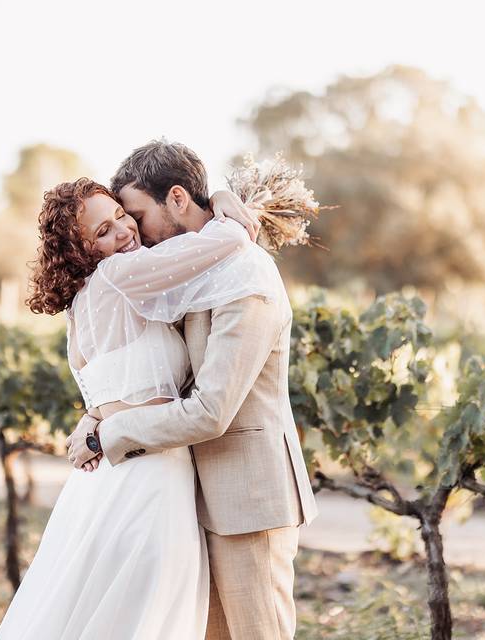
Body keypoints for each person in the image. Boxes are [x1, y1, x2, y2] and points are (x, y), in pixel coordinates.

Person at [0, 175, 277, 639]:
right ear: (80, 252)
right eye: (102, 232)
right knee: (146, 617)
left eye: (123, 215)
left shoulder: (87, 303)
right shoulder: (119, 276)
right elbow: (226, 239)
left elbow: (106, 397)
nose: (124, 231)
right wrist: (225, 201)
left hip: (114, 478)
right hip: (150, 479)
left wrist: (94, 422)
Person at [67, 140, 319, 640]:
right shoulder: (190, 271)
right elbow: (158, 374)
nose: (133, 231)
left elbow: (209, 410)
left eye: (135, 214)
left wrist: (107, 433)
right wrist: (97, 412)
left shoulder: (244, 276)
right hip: (190, 497)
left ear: (177, 198)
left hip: (249, 501)